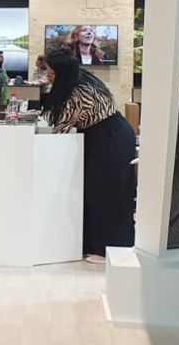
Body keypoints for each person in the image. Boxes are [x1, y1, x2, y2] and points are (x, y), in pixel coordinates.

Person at [43, 49, 136, 264]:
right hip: (112, 133)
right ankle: (100, 245)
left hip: (108, 140)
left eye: (49, 71)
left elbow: (61, 130)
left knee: (105, 192)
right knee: (100, 191)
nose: (46, 75)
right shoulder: (82, 79)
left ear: (60, 72)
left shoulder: (77, 93)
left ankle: (109, 248)